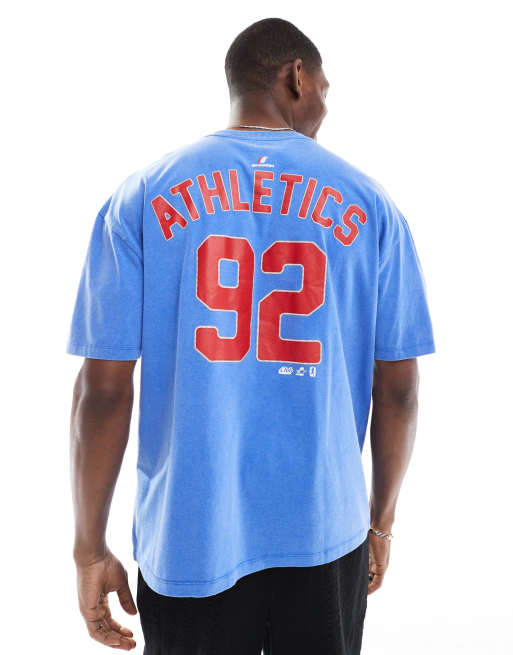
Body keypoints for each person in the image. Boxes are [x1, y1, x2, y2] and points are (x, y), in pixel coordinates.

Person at [66, 17, 435, 655]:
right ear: (297, 78)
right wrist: (380, 522)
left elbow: (101, 393)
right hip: (324, 531)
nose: (324, 107)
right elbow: (399, 389)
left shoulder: (140, 196)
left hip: (189, 535)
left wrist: (88, 548)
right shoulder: (372, 204)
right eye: (324, 89)